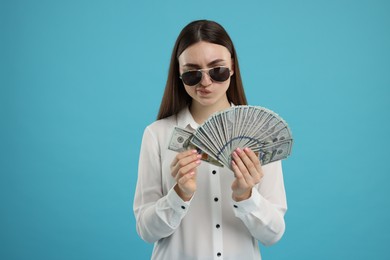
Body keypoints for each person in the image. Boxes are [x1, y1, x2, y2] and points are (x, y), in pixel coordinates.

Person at [133, 20, 287, 260]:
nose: (205, 82)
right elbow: (146, 231)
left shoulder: (261, 137)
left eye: (217, 70)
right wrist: (179, 195)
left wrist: (246, 196)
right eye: (192, 74)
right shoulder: (157, 134)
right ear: (179, 74)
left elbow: (273, 235)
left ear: (233, 67)